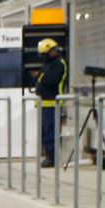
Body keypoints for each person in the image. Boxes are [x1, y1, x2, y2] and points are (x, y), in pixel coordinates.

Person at [34, 38, 67, 168]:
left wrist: (40, 79)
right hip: (45, 103)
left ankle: (52, 158)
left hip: (52, 103)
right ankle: (48, 155)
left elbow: (50, 81)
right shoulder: (49, 64)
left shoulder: (58, 64)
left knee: (51, 132)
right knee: (46, 131)